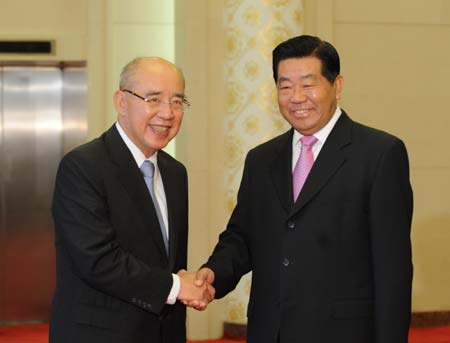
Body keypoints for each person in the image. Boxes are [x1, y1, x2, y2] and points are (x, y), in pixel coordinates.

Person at [194, 35, 413, 342]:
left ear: (336, 85)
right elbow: (243, 236)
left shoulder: (379, 154)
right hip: (271, 331)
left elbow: (393, 269)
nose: (296, 97)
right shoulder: (261, 159)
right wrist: (214, 272)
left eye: (308, 84)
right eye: (285, 86)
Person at [49, 57, 213, 343]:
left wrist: (185, 283)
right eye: (153, 99)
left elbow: (165, 261)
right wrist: (176, 286)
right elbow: (97, 260)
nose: (167, 113)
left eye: (177, 102)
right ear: (121, 102)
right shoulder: (83, 166)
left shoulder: (175, 173)